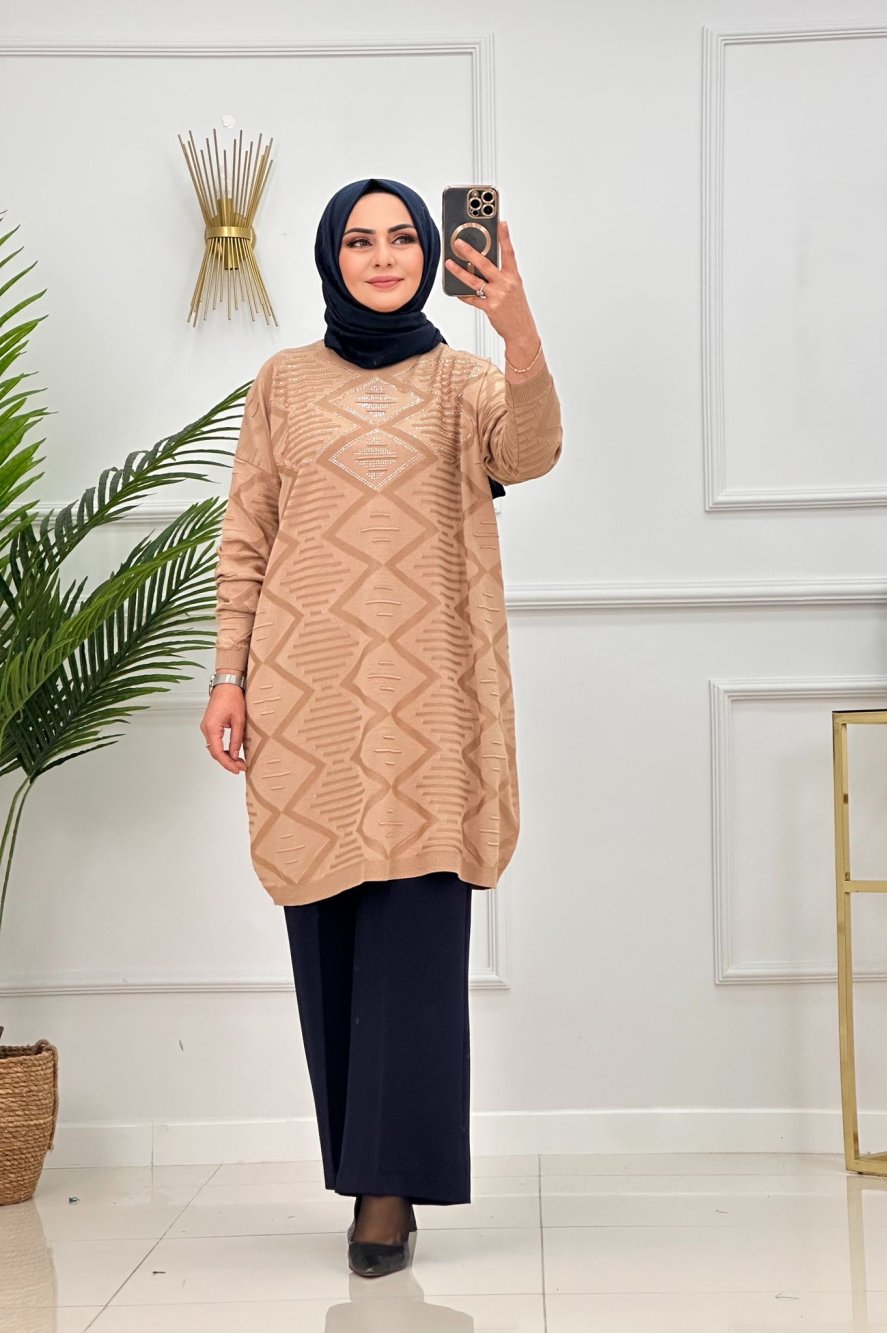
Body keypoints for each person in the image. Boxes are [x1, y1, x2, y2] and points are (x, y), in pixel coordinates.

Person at [199, 177, 562, 1278]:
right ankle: (362, 1166)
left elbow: (531, 451)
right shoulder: (283, 382)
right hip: (306, 691)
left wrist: (516, 325)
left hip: (429, 696)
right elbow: (248, 531)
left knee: (416, 934)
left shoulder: (462, 379)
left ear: (431, 252)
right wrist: (229, 673)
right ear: (332, 257)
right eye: (360, 241)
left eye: (404, 236)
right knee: (329, 932)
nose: (385, 255)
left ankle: (386, 1191)